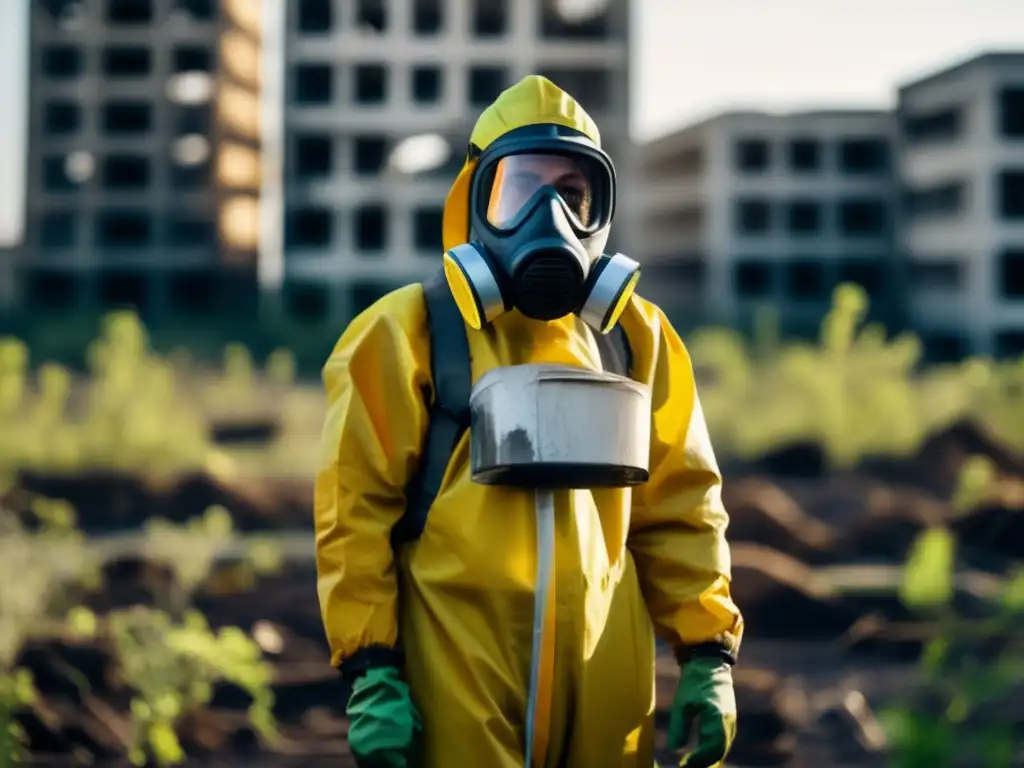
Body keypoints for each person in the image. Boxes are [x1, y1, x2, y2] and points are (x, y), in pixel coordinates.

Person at [314, 75, 744, 768]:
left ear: (601, 210)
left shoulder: (636, 338)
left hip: (608, 685)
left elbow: (684, 506)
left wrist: (708, 652)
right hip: (457, 680)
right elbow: (353, 514)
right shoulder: (410, 334)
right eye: (523, 192)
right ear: (476, 203)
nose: (552, 219)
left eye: (573, 196)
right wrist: (372, 668)